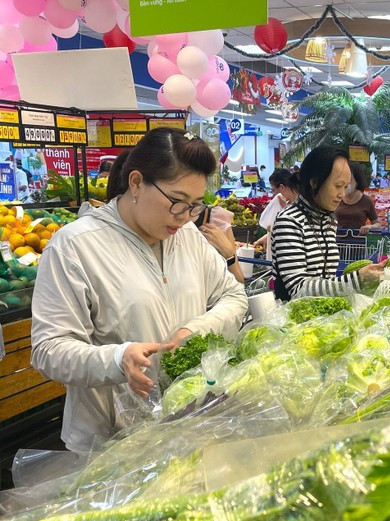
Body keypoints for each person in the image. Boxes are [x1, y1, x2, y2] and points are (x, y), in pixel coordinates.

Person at [31, 128, 248, 453]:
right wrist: (117, 359)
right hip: (111, 441)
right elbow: (48, 349)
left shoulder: (188, 236)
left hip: (188, 422)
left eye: (195, 206)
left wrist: (196, 329)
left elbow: (233, 297)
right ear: (136, 182)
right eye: (176, 201)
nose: (184, 217)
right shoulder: (76, 246)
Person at [272, 146, 385, 300]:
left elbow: (326, 279)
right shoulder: (289, 221)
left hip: (321, 318)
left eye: (345, 187)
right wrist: (356, 280)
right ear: (314, 182)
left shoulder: (329, 220)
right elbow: (298, 289)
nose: (342, 194)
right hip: (294, 319)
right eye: (338, 186)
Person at [254, 168, 299, 259]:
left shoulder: (301, 205)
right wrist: (268, 237)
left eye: (274, 190)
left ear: (282, 187)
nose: (274, 194)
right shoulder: (289, 203)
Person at [336, 162, 381, 235]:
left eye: (349, 179)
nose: (346, 183)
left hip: (358, 243)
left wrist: (369, 227)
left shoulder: (366, 201)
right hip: (337, 243)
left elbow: (378, 225)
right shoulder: (336, 198)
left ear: (357, 180)